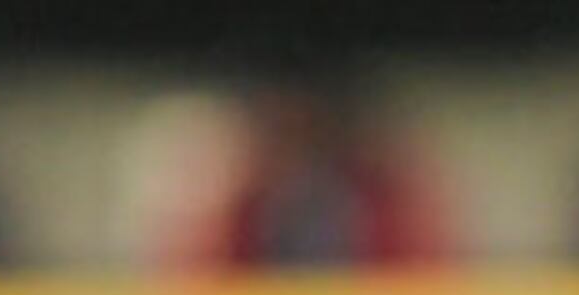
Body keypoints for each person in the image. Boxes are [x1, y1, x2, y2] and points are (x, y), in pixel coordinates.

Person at [159, 56, 459, 273]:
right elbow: (196, 294)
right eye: (282, 130)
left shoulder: (385, 200)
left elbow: (424, 286)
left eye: (308, 129)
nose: (297, 149)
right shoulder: (239, 208)